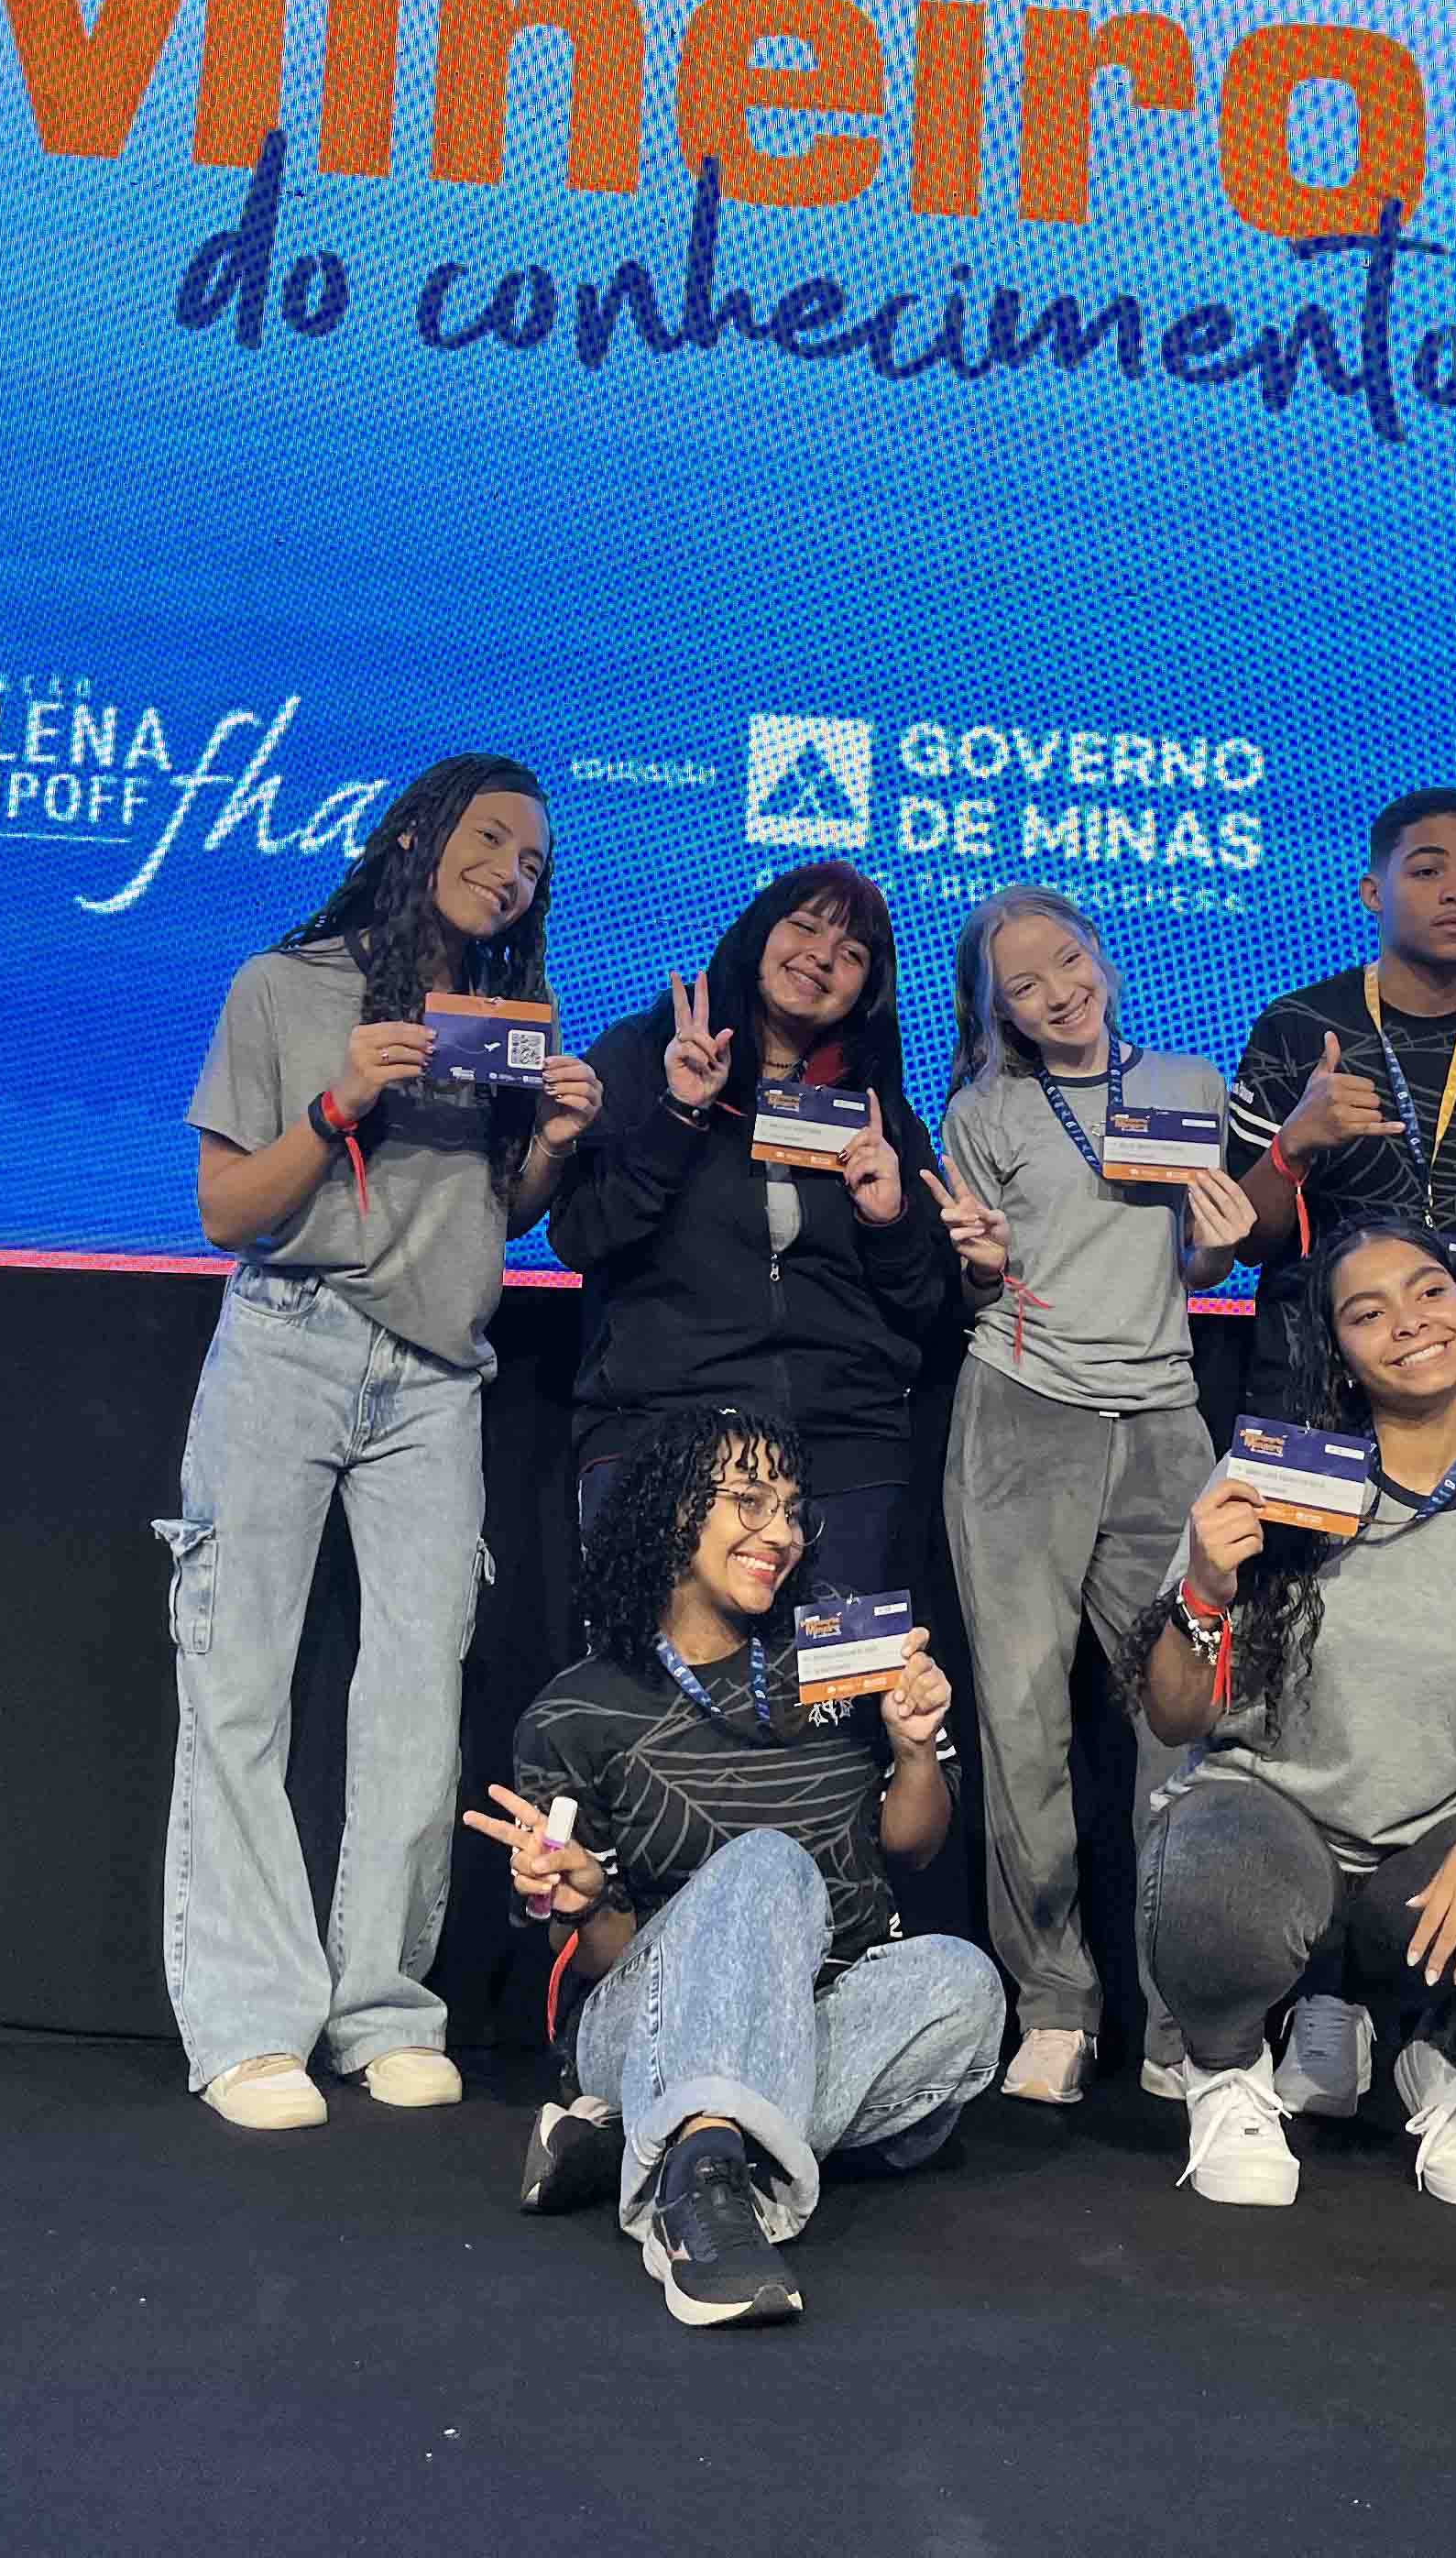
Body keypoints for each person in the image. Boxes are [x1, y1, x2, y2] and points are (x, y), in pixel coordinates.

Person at [161, 753, 604, 2131]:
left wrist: (555, 1146)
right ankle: (249, 2026)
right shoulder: (282, 988)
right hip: (288, 1341)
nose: (511, 872)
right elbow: (225, 1210)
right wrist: (335, 1106)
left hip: (438, 1379)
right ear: (415, 833)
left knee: (417, 1693)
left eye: (533, 862)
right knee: (241, 1681)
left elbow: (494, 1214)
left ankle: (383, 2008)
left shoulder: (508, 1020)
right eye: (492, 838)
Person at [1116, 1223, 1456, 2209]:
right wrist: (1202, 1590)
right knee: (1207, 1875)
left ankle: (1450, 2067)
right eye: (1368, 1313)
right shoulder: (1271, 1483)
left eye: (1429, 1292)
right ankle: (1227, 2071)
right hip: (1268, 1830)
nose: (1409, 1322)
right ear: (1338, 1352)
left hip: (1429, 1864)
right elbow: (1174, 1719)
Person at [1219, 790, 1456, 2117]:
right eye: (1428, 869)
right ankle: (1318, 1987)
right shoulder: (1301, 1026)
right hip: (1312, 1389)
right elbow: (1233, 1236)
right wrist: (1298, 1142)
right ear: (1371, 889)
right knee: (1308, 1669)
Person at [476, 1406, 1004, 2329]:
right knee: (766, 1865)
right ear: (672, 1512)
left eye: (793, 1510)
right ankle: (704, 2217)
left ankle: (652, 2142)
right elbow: (603, 1956)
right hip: (646, 2013)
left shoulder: (841, 1650)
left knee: (966, 1985)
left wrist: (915, 1747)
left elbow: (913, 1847)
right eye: (749, 1503)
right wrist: (586, 1901)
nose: (781, 1533)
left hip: (838, 1995)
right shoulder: (576, 1714)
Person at [930, 885, 1259, 2106]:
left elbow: (1196, 1261)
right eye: (1023, 985)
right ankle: (1055, 2004)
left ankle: (1179, 2015)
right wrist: (977, 1267)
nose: (1057, 993)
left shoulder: (1186, 1085)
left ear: (1102, 958)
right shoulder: (984, 1111)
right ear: (998, 1012)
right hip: (1022, 1411)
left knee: (1182, 1721)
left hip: (1164, 1417)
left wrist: (1222, 1245)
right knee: (1023, 1721)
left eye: (1066, 962)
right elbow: (982, 1279)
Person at [550, 862, 955, 1596]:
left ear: (868, 986)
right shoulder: (648, 1054)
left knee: (835, 1674)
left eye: (852, 953)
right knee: (658, 1670)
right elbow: (580, 1235)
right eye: (805, 927)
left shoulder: (880, 1112)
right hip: (662, 1432)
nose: (822, 957)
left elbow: (924, 1307)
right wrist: (680, 1115)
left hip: (845, 1450)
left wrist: (889, 1221)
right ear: (759, 932)